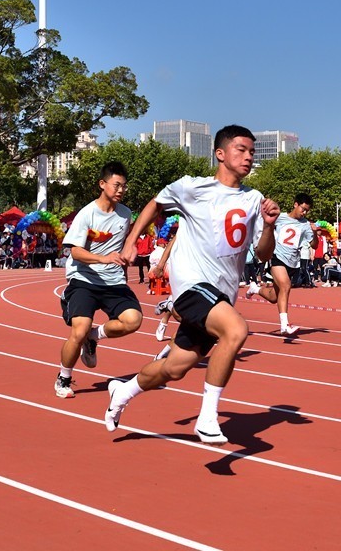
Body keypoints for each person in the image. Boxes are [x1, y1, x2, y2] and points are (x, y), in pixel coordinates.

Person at [109, 125, 281, 445]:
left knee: (173, 369)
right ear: (220, 154)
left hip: (222, 295)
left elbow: (263, 253)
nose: (248, 157)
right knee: (236, 331)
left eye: (252, 152)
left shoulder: (254, 199)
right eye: (241, 150)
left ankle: (123, 391)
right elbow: (155, 204)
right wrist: (131, 242)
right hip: (192, 285)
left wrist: (269, 227)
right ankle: (207, 418)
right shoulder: (193, 188)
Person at [53, 161, 141, 399]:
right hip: (84, 279)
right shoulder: (87, 214)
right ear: (102, 184)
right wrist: (104, 259)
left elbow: (123, 244)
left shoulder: (125, 214)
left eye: (124, 186)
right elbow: (75, 252)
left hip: (113, 282)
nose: (121, 190)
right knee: (78, 331)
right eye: (116, 185)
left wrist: (128, 254)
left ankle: (96, 336)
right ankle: (64, 377)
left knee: (133, 321)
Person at [247, 193, 314, 336]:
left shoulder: (306, 225)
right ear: (295, 204)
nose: (304, 212)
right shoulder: (280, 217)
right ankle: (285, 325)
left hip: (292, 262)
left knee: (274, 297)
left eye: (307, 210)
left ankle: (255, 289)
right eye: (303, 209)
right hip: (276, 256)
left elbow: (313, 244)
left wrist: (315, 234)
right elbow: (264, 226)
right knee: (286, 285)